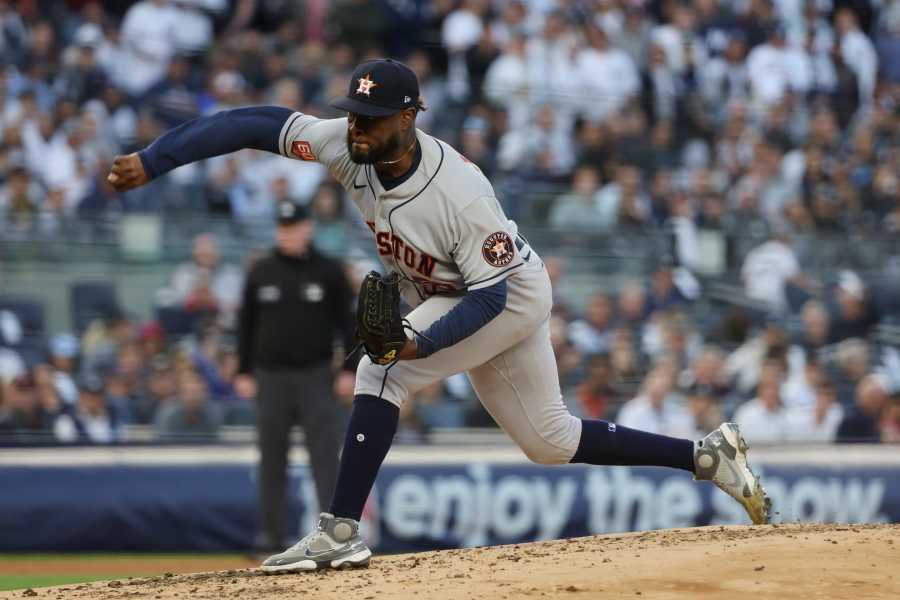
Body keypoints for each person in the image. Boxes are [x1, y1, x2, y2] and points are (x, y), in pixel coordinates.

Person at [106, 58, 770, 573]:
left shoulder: (461, 193)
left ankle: (339, 530)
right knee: (551, 442)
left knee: (381, 371)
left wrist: (414, 350)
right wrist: (156, 159)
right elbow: (249, 123)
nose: (356, 127)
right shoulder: (343, 143)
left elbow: (491, 297)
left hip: (506, 293)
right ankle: (706, 456)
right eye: (354, 114)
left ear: (410, 117)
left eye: (372, 118)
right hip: (454, 293)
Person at [234, 199, 356, 553]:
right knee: (271, 459)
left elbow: (349, 326)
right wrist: (243, 370)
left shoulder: (329, 271)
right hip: (270, 377)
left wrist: (348, 368)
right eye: (282, 228)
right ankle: (270, 538)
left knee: (325, 460)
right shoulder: (261, 272)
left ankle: (336, 537)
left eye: (293, 227)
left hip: (316, 375)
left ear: (307, 228)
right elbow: (245, 326)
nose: (286, 234)